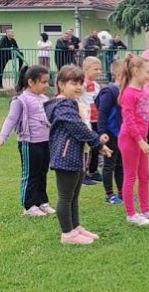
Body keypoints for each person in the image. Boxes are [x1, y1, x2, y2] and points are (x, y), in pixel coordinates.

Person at [43, 65, 111, 245]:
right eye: (74, 83)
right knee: (66, 196)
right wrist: (98, 143)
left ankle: (75, 227)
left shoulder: (72, 103)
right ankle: (67, 234)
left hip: (78, 155)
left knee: (74, 195)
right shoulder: (62, 105)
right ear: (61, 84)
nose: (79, 87)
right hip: (66, 156)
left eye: (81, 83)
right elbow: (77, 127)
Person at [0, 65, 56, 217]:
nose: (47, 85)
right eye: (43, 82)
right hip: (29, 143)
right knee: (31, 174)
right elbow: (11, 119)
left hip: (45, 142)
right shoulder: (20, 100)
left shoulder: (45, 99)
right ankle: (29, 206)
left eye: (47, 82)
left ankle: (41, 202)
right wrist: (2, 138)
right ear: (31, 82)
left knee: (42, 172)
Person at [118, 54, 149, 225]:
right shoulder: (128, 94)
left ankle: (146, 210)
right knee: (130, 177)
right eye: (147, 72)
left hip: (141, 140)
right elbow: (129, 121)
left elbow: (147, 115)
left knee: (144, 176)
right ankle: (131, 214)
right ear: (135, 71)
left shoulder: (143, 93)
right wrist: (140, 141)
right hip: (130, 140)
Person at [96, 58, 126, 205]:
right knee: (109, 164)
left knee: (120, 164)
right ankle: (109, 194)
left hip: (121, 134)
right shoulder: (109, 92)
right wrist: (102, 132)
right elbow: (102, 113)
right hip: (110, 134)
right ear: (118, 75)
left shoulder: (125, 91)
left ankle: (122, 192)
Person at [80, 56, 104, 186]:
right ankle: (83, 174)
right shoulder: (81, 84)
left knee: (96, 144)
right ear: (86, 69)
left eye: (100, 69)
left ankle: (93, 170)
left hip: (96, 119)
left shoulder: (97, 85)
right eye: (95, 69)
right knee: (86, 147)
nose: (98, 72)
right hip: (86, 120)